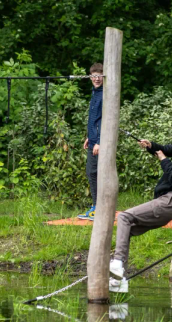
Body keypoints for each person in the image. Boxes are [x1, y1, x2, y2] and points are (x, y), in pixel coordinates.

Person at [109, 121, 172, 293]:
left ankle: (118, 265)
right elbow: (166, 148)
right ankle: (119, 281)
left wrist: (164, 161)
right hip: (166, 200)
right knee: (127, 227)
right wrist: (150, 146)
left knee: (124, 216)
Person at [78, 63, 104, 221]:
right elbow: (95, 119)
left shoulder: (104, 94)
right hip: (93, 139)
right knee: (91, 173)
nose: (96, 78)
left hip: (100, 142)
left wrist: (100, 141)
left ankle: (98, 207)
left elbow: (106, 120)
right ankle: (96, 206)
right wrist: (90, 136)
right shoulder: (95, 92)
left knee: (95, 173)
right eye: (93, 75)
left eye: (99, 75)